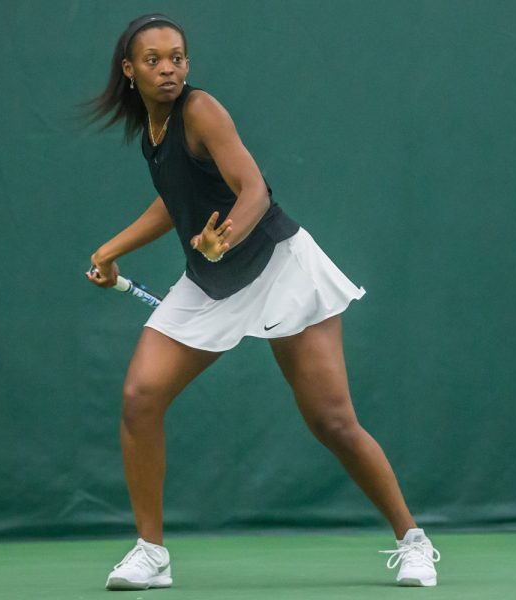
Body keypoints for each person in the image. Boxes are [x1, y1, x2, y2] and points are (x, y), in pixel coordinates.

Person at [85, 13, 439, 591]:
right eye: (154, 60)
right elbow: (173, 202)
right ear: (130, 71)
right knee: (140, 396)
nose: (169, 68)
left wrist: (226, 236)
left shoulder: (201, 110)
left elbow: (254, 190)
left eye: (177, 57)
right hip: (210, 280)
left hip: (280, 269)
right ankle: (151, 553)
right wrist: (109, 249)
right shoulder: (152, 132)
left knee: (332, 421)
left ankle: (413, 541)